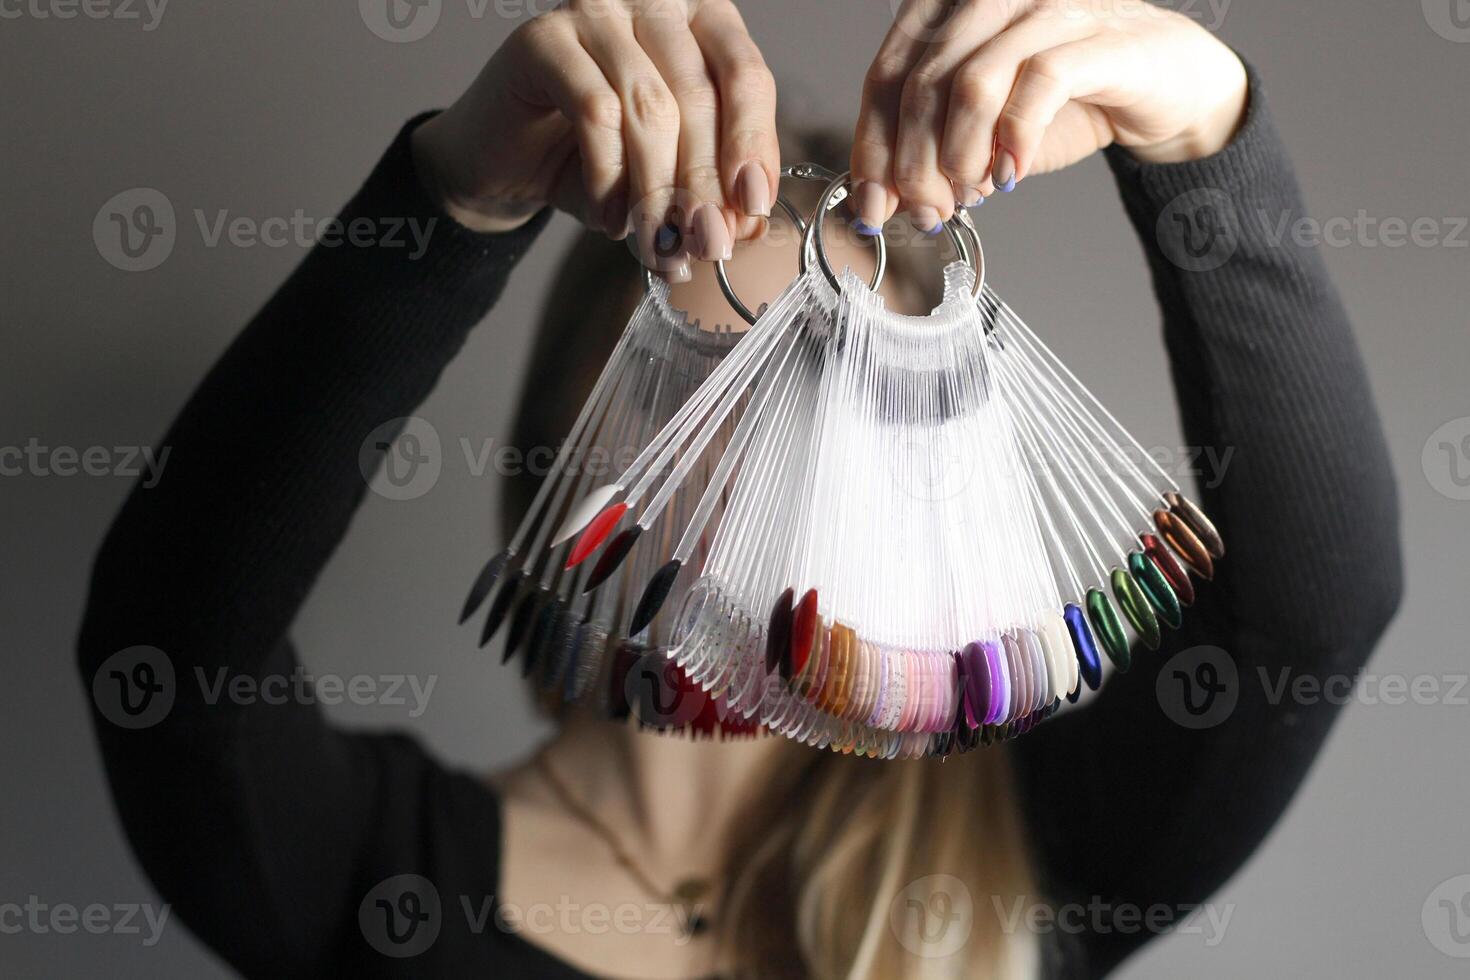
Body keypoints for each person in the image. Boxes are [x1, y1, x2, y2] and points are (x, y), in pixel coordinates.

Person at [77, 1, 1403, 977]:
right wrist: (448, 205)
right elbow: (168, 656)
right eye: (721, 361)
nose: (788, 438)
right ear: (573, 438)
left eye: (846, 371)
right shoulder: (380, 876)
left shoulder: (1035, 851)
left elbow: (1310, 618)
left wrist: (1202, 136)